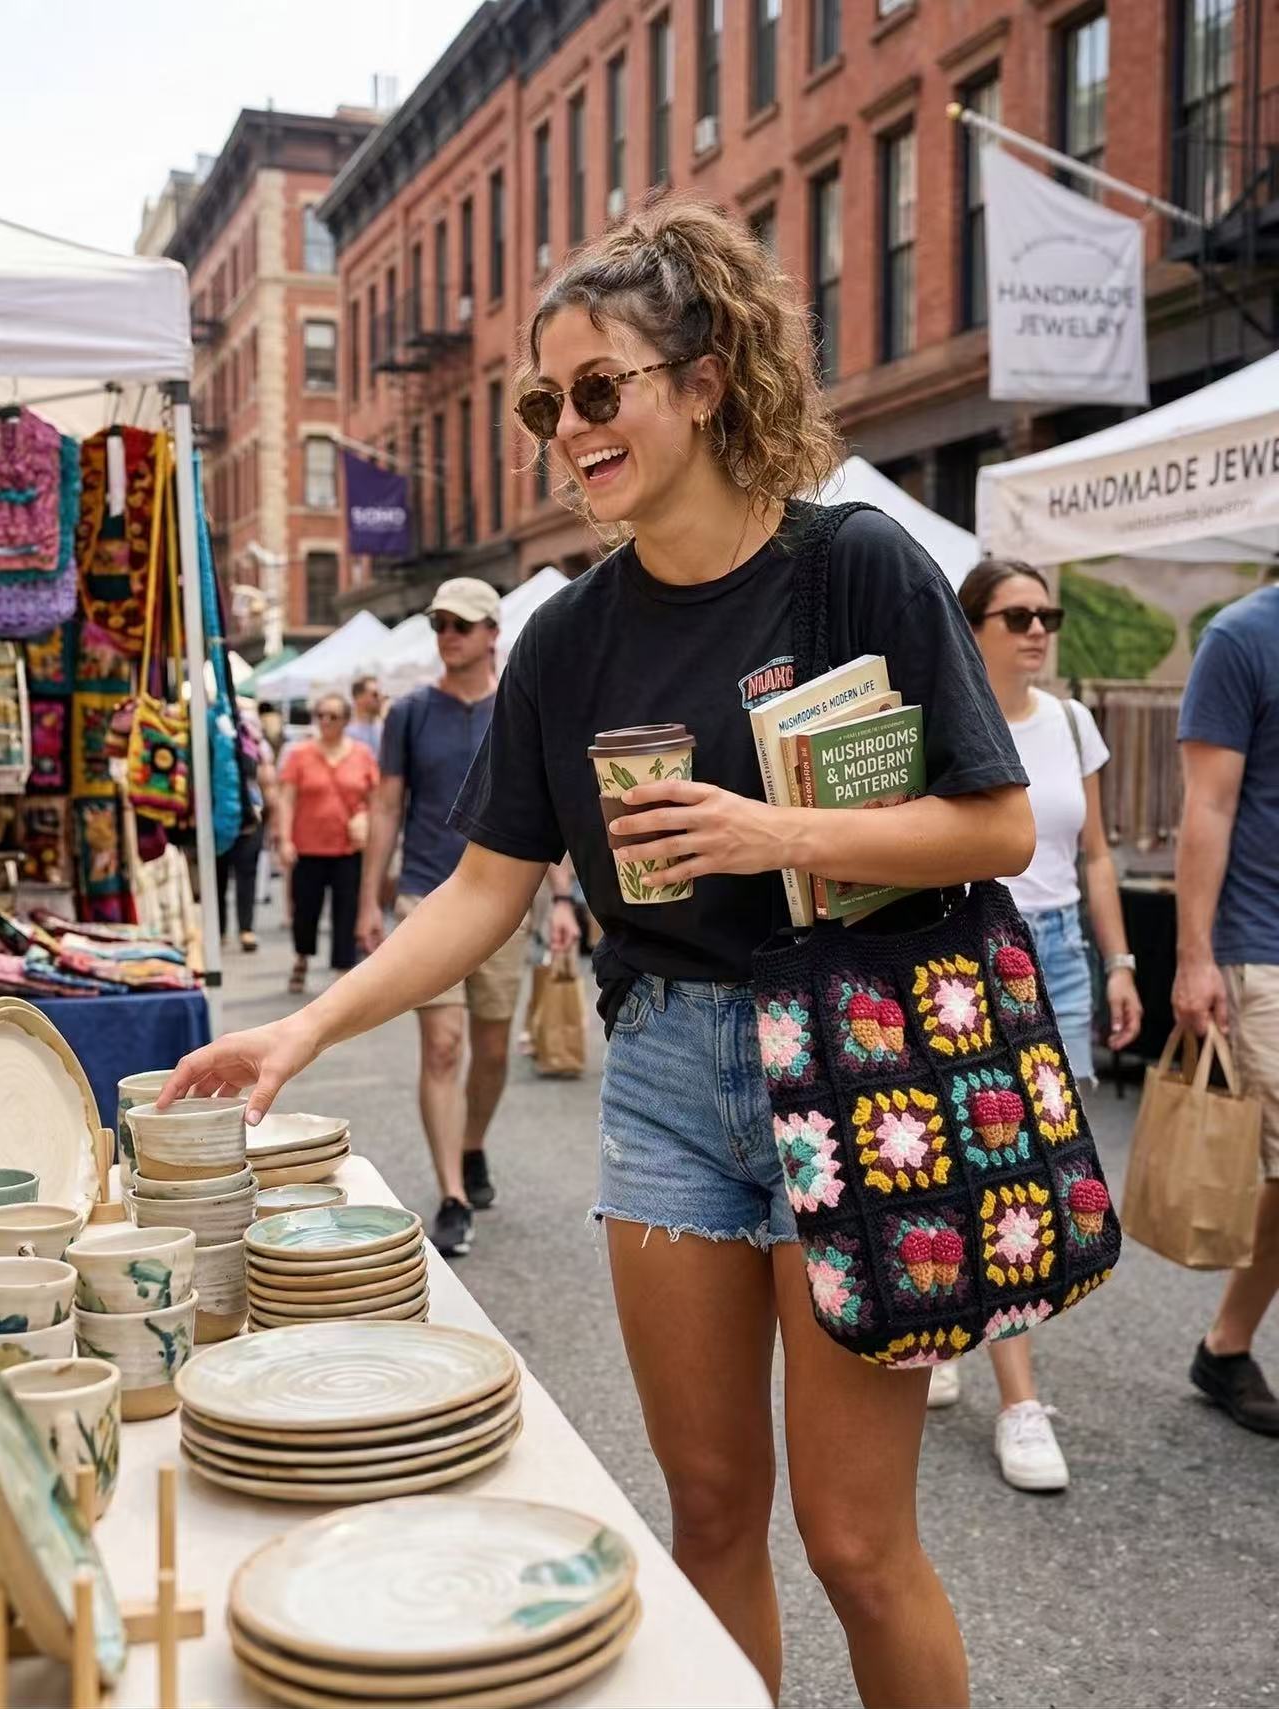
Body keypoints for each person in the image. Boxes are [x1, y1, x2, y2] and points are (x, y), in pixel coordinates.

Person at [160, 194, 1036, 1707]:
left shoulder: (855, 569)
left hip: (860, 1064)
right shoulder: (562, 640)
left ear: (702, 379)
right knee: (707, 1519)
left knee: (855, 1540)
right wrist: (305, 1031)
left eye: (598, 388)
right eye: (542, 403)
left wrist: (786, 836)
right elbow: (486, 886)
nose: (569, 427)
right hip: (671, 1080)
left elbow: (999, 827)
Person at [936, 561, 1143, 1487]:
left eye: (1046, 614)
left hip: (1056, 951)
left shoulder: (1070, 723)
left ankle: (951, 1315)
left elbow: (1094, 855)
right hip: (971, 944)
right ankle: (1020, 1400)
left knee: (1043, 1166)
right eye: (1016, 614)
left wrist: (1121, 962)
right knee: (1001, 1165)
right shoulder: (944, 718)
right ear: (972, 625)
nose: (1037, 629)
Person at [356, 578, 579, 1257]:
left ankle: (473, 1142)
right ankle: (452, 1192)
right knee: (443, 1045)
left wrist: (563, 898)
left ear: (491, 635)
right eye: (440, 622)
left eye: (461, 623)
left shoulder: (520, 705)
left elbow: (549, 811)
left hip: (506, 902)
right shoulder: (410, 713)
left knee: (489, 1048)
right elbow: (388, 807)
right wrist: (369, 898)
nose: (447, 633)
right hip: (425, 896)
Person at [1173, 577, 1279, 1437]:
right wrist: (1195, 955)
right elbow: (1207, 804)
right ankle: (1228, 1345)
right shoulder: (1240, 637)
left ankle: (1227, 1344)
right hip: (1263, 945)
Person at [278, 694, 379, 994]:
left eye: (333, 716)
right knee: (305, 911)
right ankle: (302, 957)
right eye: (320, 715)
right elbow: (287, 799)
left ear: (346, 721)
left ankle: (343, 970)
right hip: (307, 846)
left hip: (348, 847)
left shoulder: (362, 754)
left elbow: (377, 801)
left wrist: (366, 820)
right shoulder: (300, 754)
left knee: (346, 910)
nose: (325, 721)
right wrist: (283, 839)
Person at [215, 722, 278, 954]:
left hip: (249, 816)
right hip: (219, 816)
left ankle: (245, 928)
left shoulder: (254, 743)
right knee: (218, 877)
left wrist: (273, 819)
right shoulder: (210, 737)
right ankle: (219, 929)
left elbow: (269, 782)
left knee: (246, 875)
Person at [346, 675, 384, 757]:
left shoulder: (384, 728)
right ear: (358, 698)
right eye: (375, 695)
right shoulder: (345, 733)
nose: (380, 698)